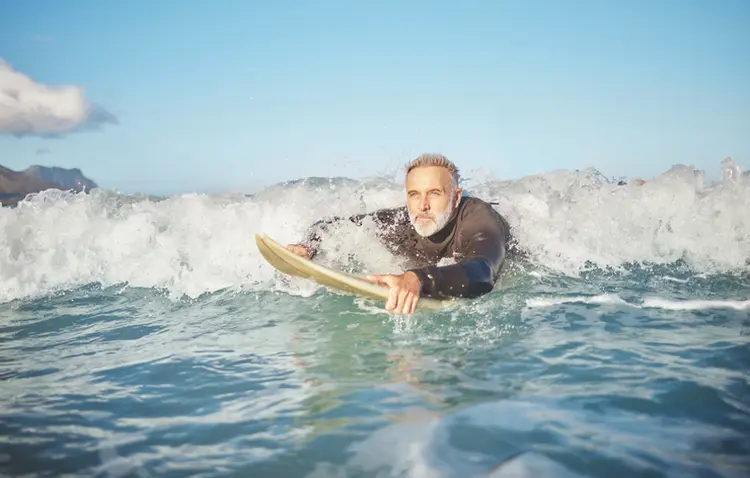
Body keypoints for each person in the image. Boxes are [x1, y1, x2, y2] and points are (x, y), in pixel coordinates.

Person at [286, 153, 513, 314]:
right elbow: (331, 226)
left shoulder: (478, 219)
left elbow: (484, 272)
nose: (422, 205)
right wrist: (310, 246)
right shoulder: (402, 222)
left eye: (434, 193)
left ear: (455, 197)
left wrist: (420, 279)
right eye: (414, 194)